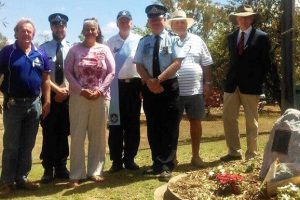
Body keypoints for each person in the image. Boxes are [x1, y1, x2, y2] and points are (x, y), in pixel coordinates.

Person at [133, 4, 185, 181]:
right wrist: (149, 82)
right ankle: (156, 164)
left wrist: (158, 80)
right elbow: (139, 65)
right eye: (152, 19)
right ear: (148, 22)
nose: (155, 21)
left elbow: (177, 62)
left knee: (169, 126)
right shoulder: (144, 41)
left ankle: (167, 165)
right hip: (149, 87)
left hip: (168, 86)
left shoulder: (174, 38)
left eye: (158, 18)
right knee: (153, 126)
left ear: (165, 20)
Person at [0, 18, 51, 196]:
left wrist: (47, 101)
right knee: (11, 144)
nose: (26, 33)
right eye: (23, 30)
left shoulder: (40, 53)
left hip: (34, 104)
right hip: (13, 104)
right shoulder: (7, 52)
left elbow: (46, 79)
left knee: (28, 144)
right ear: (16, 33)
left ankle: (22, 178)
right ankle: (6, 182)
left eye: (29, 31)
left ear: (33, 34)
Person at [64, 18, 115, 188]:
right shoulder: (74, 50)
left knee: (98, 135)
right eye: (87, 29)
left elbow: (111, 72)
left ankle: (95, 171)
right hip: (79, 97)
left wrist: (100, 90)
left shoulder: (105, 49)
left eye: (93, 29)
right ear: (82, 31)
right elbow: (68, 72)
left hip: (100, 97)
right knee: (77, 135)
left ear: (98, 31)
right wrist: (80, 90)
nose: (90, 31)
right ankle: (76, 174)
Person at [220, 5, 272, 162]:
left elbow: (266, 63)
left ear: (252, 18)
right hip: (231, 85)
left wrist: (261, 83)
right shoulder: (231, 37)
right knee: (228, 118)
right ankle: (234, 152)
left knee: (252, 121)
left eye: (247, 17)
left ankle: (251, 154)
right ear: (236, 19)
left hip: (251, 86)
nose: (243, 19)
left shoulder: (262, 37)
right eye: (240, 17)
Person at [166, 10, 213, 167]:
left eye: (182, 22)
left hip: (195, 90)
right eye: (176, 22)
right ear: (171, 25)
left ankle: (196, 156)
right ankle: (172, 157)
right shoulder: (167, 41)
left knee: (196, 122)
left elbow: (206, 62)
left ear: (187, 24)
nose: (179, 24)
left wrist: (207, 83)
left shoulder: (197, 40)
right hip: (174, 90)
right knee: (172, 125)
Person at [107, 10, 142, 173]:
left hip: (134, 86)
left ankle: (130, 159)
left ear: (131, 23)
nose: (124, 22)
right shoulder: (110, 42)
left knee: (132, 125)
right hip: (115, 87)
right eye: (121, 20)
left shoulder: (139, 40)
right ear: (117, 23)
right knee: (115, 125)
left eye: (127, 20)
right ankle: (116, 161)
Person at [39, 13, 71, 183]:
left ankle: (61, 166)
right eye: (56, 26)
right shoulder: (43, 49)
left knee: (63, 132)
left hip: (68, 95)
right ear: (51, 27)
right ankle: (47, 169)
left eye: (62, 26)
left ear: (66, 28)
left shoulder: (73, 48)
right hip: (49, 96)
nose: (60, 29)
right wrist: (57, 90)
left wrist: (66, 91)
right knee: (49, 132)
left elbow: (75, 73)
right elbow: (43, 74)